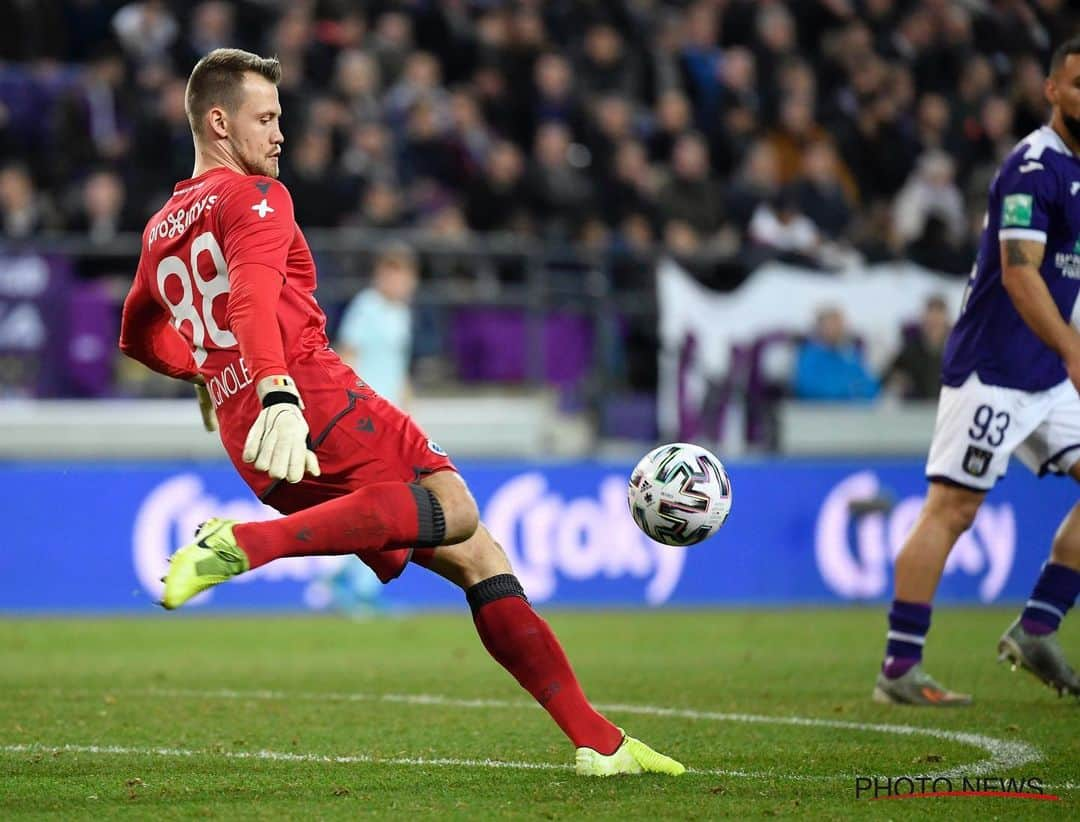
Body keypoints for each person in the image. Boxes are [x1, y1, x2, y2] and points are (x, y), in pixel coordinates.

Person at [118, 48, 683, 776]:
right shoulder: (253, 197)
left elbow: (137, 334)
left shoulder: (161, 227)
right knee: (455, 508)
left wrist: (203, 368)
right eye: (266, 118)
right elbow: (256, 295)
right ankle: (249, 546)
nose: (280, 133)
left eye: (281, 118)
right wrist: (278, 390)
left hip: (246, 435)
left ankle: (598, 743)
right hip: (307, 399)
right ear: (218, 122)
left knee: (479, 558)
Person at [873, 38, 1080, 706]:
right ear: (1051, 89)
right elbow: (1021, 275)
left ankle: (1038, 627)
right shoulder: (1032, 166)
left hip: (1048, 371)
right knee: (952, 509)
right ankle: (899, 668)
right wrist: (1074, 349)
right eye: (1078, 84)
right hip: (994, 367)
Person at [335, 242, 418, 409]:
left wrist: (408, 409)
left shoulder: (403, 312)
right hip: (366, 405)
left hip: (391, 406)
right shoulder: (365, 305)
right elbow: (347, 354)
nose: (398, 282)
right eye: (392, 275)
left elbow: (399, 365)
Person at [791, 305, 879, 402]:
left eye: (840, 324)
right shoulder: (809, 356)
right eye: (831, 324)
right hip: (819, 413)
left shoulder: (850, 355)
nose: (838, 329)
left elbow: (871, 388)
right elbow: (808, 389)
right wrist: (848, 391)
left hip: (854, 412)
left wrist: (850, 391)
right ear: (820, 327)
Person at [882, 295, 952, 401]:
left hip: (947, 409)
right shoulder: (910, 350)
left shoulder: (957, 352)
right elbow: (887, 377)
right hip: (915, 411)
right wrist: (898, 379)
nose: (934, 325)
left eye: (937, 322)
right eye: (931, 322)